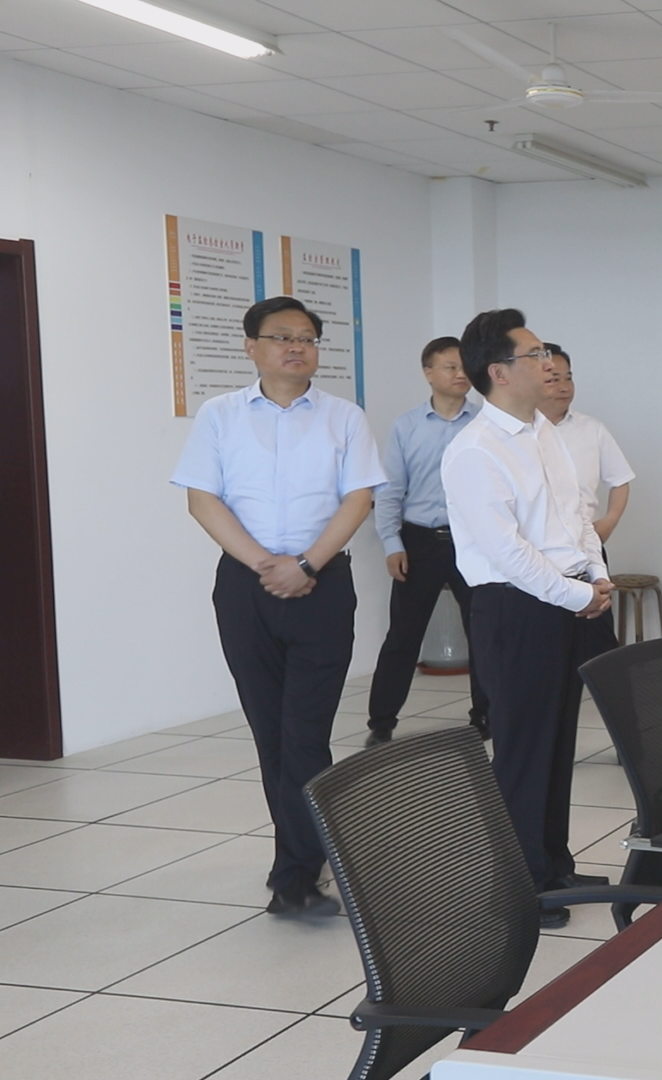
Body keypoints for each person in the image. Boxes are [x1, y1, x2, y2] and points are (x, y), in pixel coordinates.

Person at [171, 296, 384, 918]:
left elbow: (358, 499)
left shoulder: (345, 417)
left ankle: (295, 873)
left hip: (324, 586)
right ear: (252, 347)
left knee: (306, 733)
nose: (297, 347)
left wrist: (307, 564)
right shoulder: (220, 415)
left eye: (307, 338)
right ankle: (300, 863)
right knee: (272, 734)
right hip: (246, 589)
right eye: (282, 337)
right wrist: (268, 564)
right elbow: (202, 500)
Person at [443, 309, 614, 925]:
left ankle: (553, 864)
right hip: (516, 607)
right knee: (522, 747)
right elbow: (507, 551)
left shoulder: (544, 430)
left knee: (559, 738)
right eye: (536, 355)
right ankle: (519, 885)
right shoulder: (474, 450)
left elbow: (577, 515)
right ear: (498, 371)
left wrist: (594, 573)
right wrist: (574, 594)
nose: (549, 364)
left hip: (567, 596)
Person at [365, 337, 489, 747]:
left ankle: (485, 715)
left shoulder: (486, 423)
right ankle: (381, 722)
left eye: (465, 366)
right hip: (418, 540)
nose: (460, 374)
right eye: (450, 367)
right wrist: (391, 543)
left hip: (474, 540)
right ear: (428, 373)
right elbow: (390, 490)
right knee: (403, 635)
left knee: (483, 631)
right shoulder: (407, 426)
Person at [539, 343, 635, 545]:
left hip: (586, 544)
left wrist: (609, 522)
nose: (564, 387)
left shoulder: (591, 429)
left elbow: (620, 481)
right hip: (535, 549)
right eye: (553, 380)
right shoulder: (518, 432)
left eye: (568, 378)